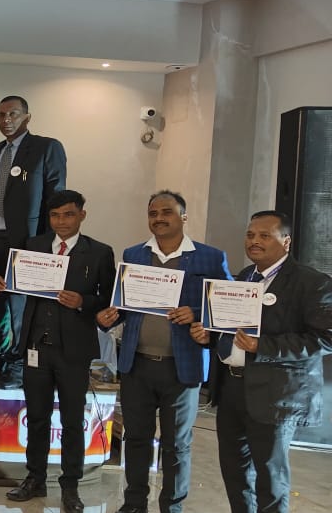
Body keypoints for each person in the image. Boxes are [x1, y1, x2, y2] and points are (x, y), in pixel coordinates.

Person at [95, 190, 230, 513]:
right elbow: (125, 306)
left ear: (183, 217)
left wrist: (197, 314)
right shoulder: (133, 254)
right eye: (153, 213)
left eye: (167, 212)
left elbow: (225, 307)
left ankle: (173, 506)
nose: (159, 218)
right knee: (136, 439)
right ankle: (134, 503)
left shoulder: (210, 257)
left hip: (181, 368)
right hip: (136, 365)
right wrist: (108, 317)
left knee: (177, 445)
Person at [190, 211, 332, 513]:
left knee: (270, 477)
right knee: (235, 473)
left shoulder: (312, 282)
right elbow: (230, 330)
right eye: (250, 235)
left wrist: (262, 346)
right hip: (231, 389)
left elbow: (325, 338)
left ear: (286, 241)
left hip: (275, 394)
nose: (254, 241)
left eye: (264, 235)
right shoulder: (243, 277)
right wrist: (208, 336)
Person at [0, 190, 114, 513]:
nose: (62, 221)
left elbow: (109, 300)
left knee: (73, 421)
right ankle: (35, 478)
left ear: (82, 215)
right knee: (36, 417)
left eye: (69, 214)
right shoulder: (34, 246)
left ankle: (70, 486)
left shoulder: (99, 253)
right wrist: (2, 283)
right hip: (36, 346)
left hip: (74, 350)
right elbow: (17, 282)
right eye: (55, 215)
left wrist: (84, 302)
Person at [0, 95, 67, 389]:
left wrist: (48, 246)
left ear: (27, 117)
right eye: (1, 114)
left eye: (13, 114)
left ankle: (22, 366)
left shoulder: (46, 148)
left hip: (26, 244)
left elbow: (56, 199)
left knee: (22, 311)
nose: (6, 119)